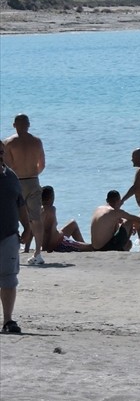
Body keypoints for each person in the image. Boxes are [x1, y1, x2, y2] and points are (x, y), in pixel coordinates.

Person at [3, 114, 46, 266]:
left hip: (16, 182)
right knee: (36, 218)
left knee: (13, 216)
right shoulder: (37, 142)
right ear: (28, 125)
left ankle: (12, 249)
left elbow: (7, 167)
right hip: (33, 181)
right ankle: (38, 252)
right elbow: (42, 165)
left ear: (14, 125)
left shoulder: (9, 143)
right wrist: (33, 175)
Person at [1, 141, 34, 334]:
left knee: (9, 279)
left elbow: (20, 203)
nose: (0, 155)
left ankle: (8, 320)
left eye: (1, 152)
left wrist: (27, 227)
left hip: (9, 235)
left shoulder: (11, 176)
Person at [40, 186, 91, 253]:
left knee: (73, 223)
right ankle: (83, 247)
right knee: (91, 247)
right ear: (51, 198)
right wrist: (47, 248)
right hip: (59, 243)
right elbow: (48, 231)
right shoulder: (51, 209)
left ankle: (82, 245)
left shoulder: (38, 210)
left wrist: (27, 248)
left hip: (56, 240)